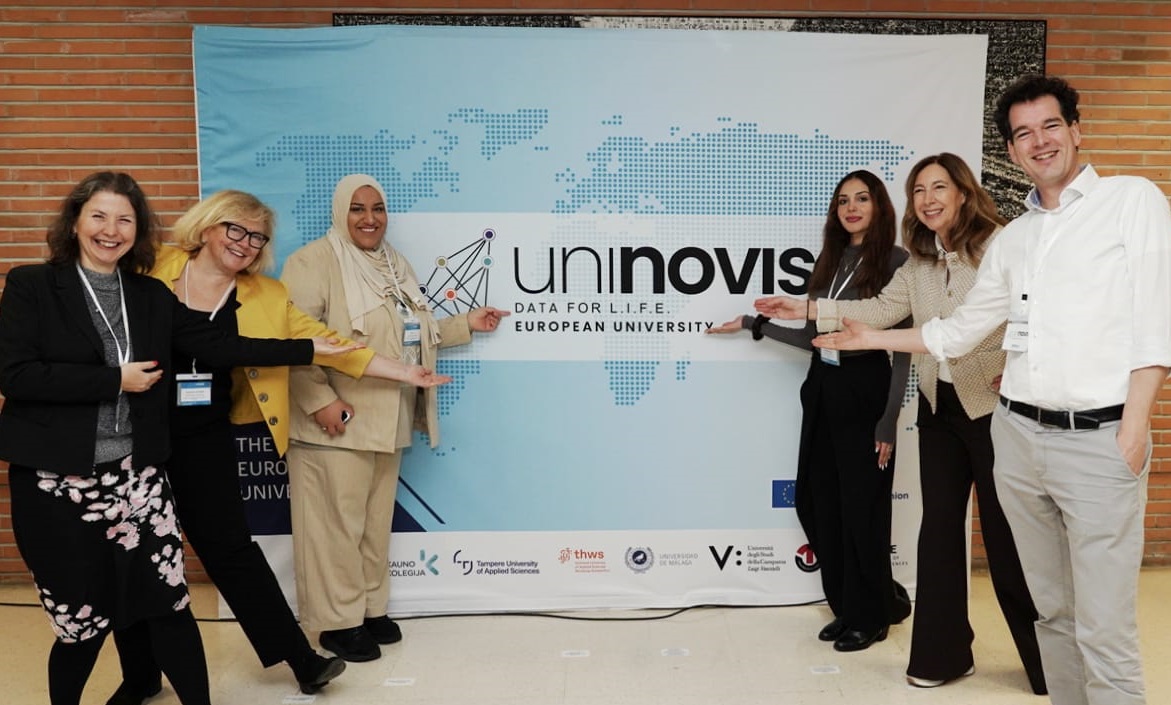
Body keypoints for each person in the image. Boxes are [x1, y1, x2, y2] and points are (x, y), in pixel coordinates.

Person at [813, 76, 1171, 705]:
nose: (1039, 141)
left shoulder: (1130, 200)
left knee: (1104, 626)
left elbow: (1156, 319)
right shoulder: (1018, 237)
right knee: (1053, 613)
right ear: (1010, 150)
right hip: (1017, 434)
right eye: (1023, 133)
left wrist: (1136, 425)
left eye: (1050, 126)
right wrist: (871, 338)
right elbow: (959, 330)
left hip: (1097, 438)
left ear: (1076, 130)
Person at [0, 172, 361, 705]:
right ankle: (140, 676)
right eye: (99, 216)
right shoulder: (38, 284)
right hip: (67, 476)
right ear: (74, 221)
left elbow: (218, 344)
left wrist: (309, 350)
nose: (111, 230)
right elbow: (17, 375)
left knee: (176, 591)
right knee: (94, 609)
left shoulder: (149, 293)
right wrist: (113, 380)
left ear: (138, 230)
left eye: (125, 220)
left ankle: (271, 664)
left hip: (147, 465)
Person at [103, 190, 453, 705]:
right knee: (127, 550)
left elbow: (329, 345)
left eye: (257, 237)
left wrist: (403, 372)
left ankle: (302, 660)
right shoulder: (154, 267)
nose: (245, 243)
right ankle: (140, 675)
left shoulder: (264, 295)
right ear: (208, 227)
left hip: (204, 433)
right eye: (235, 230)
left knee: (232, 551)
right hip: (131, 430)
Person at [756, 153, 1045, 693]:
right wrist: (808, 309)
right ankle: (942, 655)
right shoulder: (918, 264)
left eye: (939, 188)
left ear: (963, 193)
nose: (928, 199)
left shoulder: (999, 246)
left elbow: (1038, 308)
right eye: (919, 190)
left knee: (1007, 539)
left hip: (992, 408)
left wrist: (1023, 361)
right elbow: (879, 309)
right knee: (937, 538)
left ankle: (1047, 663)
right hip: (939, 408)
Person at [281, 173, 509, 662]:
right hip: (335, 420)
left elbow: (410, 334)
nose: (370, 219)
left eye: (378, 208)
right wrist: (318, 400)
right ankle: (336, 623)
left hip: (388, 418)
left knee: (371, 525)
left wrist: (464, 324)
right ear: (340, 212)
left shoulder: (393, 265)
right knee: (333, 528)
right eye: (358, 208)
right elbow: (292, 341)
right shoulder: (312, 262)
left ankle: (368, 609)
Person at [707, 170, 912, 652]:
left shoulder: (896, 261)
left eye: (862, 199)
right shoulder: (831, 259)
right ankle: (850, 605)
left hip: (865, 388)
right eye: (843, 200)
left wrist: (888, 420)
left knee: (863, 508)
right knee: (819, 501)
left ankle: (871, 615)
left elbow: (903, 346)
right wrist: (754, 324)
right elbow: (813, 334)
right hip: (822, 385)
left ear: (880, 206)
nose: (851, 208)